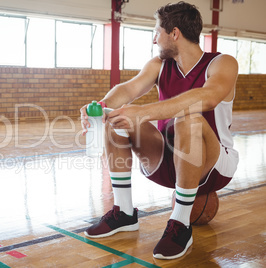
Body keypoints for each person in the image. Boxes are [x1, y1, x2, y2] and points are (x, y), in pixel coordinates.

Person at [80, 1, 239, 260]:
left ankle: (180, 224)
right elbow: (128, 89)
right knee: (117, 118)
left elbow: (207, 97)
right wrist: (102, 107)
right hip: (167, 160)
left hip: (213, 166)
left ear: (174, 33)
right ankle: (124, 212)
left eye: (157, 31)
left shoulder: (223, 63)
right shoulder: (159, 64)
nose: (155, 39)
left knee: (189, 118)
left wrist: (143, 112)